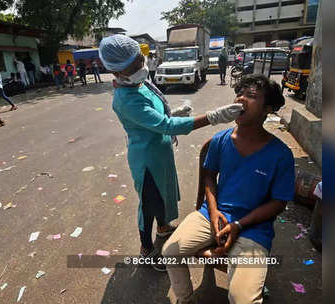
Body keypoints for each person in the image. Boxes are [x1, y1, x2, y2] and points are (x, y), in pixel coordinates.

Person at [98, 34, 244, 271]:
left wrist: (175, 113)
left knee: (164, 195)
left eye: (140, 60)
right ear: (117, 72)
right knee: (149, 204)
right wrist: (212, 117)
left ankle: (163, 227)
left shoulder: (140, 84)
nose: (141, 67)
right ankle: (147, 250)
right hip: (147, 160)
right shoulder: (126, 99)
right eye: (134, 66)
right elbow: (165, 125)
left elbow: (160, 119)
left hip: (160, 152)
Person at [162, 74, 294, 304]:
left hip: (254, 228)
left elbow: (279, 202)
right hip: (212, 216)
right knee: (170, 252)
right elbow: (210, 177)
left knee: (242, 298)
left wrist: (239, 225)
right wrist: (213, 212)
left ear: (268, 109)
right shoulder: (221, 140)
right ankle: (185, 299)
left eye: (251, 96)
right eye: (239, 93)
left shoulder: (281, 154)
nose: (241, 99)